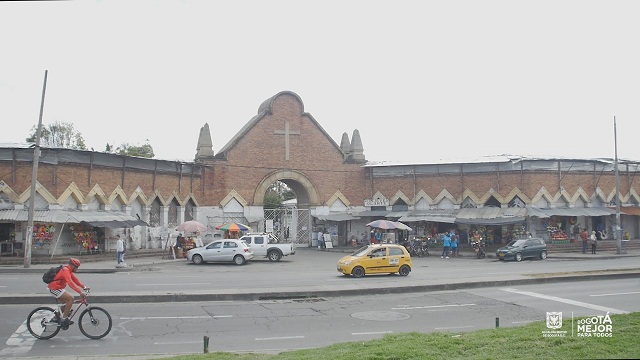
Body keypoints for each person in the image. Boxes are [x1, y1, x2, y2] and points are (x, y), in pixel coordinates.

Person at [47, 258, 89, 328]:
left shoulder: (68, 270)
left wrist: (84, 287)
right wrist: (80, 292)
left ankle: (55, 318)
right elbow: (70, 283)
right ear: (72, 266)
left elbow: (75, 280)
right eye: (76, 267)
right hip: (54, 288)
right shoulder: (66, 270)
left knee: (66, 304)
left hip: (58, 288)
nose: (77, 269)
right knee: (71, 299)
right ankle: (64, 319)